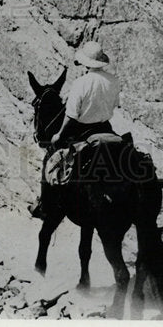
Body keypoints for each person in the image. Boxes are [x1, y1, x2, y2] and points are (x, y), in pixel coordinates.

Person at [30, 40, 121, 219]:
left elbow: (71, 116)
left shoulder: (80, 83)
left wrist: (59, 135)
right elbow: (114, 105)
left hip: (83, 130)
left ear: (85, 62)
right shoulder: (114, 80)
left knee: (51, 159)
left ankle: (45, 205)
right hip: (106, 127)